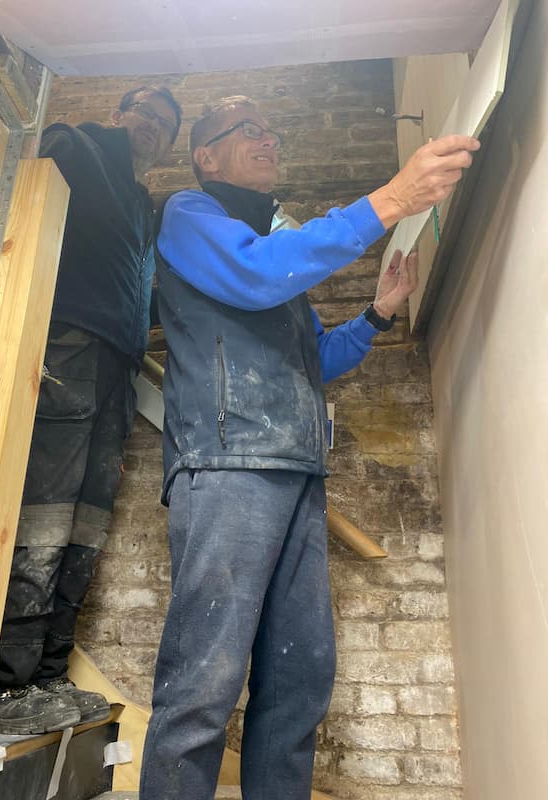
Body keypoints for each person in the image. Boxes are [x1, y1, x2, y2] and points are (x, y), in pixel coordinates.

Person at [139, 96, 479, 800]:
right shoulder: (192, 216)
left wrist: (376, 313)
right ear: (207, 156)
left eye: (272, 130)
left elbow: (315, 358)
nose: (268, 139)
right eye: (248, 130)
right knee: (203, 682)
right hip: (228, 465)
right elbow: (260, 275)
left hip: (297, 470)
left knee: (299, 682)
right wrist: (388, 200)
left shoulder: (271, 244)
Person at [0, 85, 182, 735]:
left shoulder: (143, 204)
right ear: (120, 112)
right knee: (44, 516)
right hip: (64, 346)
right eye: (146, 113)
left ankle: (46, 673)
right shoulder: (77, 145)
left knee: (87, 526)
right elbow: (16, 208)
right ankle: (5, 687)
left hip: (118, 368)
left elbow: (140, 288)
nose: (153, 127)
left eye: (166, 125)